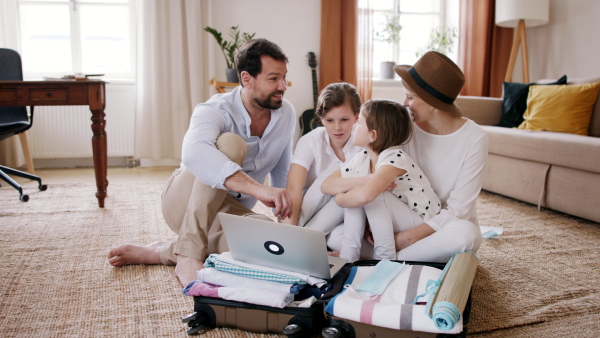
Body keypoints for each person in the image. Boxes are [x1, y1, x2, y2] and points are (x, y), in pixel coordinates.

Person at [107, 38, 296, 287]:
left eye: (284, 77)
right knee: (231, 143)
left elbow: (284, 173)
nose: (282, 86)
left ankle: (162, 252)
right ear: (247, 79)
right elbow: (194, 153)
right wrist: (259, 190)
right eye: (273, 78)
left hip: (227, 212)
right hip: (184, 201)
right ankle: (188, 253)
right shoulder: (215, 109)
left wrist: (292, 231)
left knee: (272, 245)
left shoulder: (286, 113)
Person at [326, 51, 487, 263]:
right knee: (338, 235)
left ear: (433, 103)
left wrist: (404, 239)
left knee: (468, 235)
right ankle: (397, 257)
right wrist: (369, 222)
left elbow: (458, 210)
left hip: (440, 227)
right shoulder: (404, 126)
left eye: (410, 97)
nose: (404, 103)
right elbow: (370, 172)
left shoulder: (474, 138)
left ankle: (385, 258)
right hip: (399, 214)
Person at [321, 100, 441, 262]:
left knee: (372, 194)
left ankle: (385, 259)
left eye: (360, 122)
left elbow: (365, 197)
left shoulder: (394, 158)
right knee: (335, 235)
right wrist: (364, 180)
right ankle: (350, 256)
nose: (355, 125)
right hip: (390, 221)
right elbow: (326, 185)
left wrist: (342, 198)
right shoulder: (362, 158)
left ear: (373, 134)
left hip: (419, 223)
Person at [281, 82, 363, 230]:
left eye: (344, 120)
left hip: (346, 206)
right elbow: (294, 188)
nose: (337, 127)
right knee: (333, 175)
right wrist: (289, 230)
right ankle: (301, 235)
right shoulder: (310, 141)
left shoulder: (364, 142)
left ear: (356, 118)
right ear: (321, 118)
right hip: (311, 208)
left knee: (338, 239)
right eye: (330, 120)